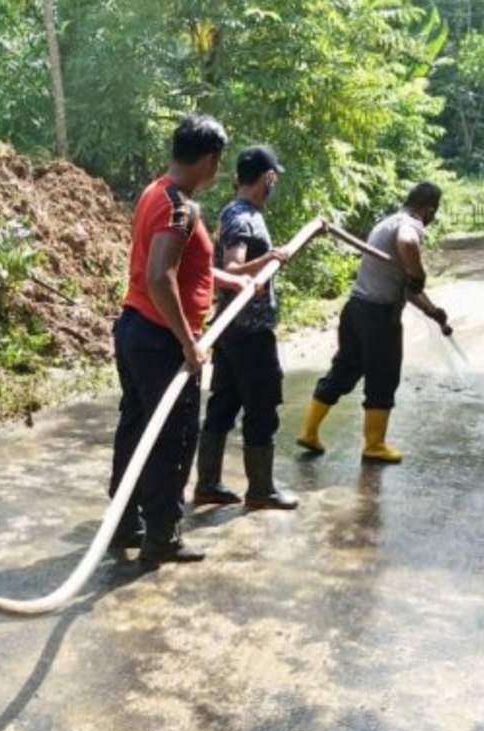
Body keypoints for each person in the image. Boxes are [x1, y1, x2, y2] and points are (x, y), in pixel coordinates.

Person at [108, 114, 250, 564]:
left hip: (135, 330)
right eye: (219, 161)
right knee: (173, 438)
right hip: (160, 341)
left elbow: (184, 267)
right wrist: (189, 343)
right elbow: (160, 276)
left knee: (136, 429)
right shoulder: (180, 209)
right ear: (209, 160)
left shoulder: (158, 193)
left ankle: (124, 523)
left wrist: (232, 281)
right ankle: (162, 537)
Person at [296, 181, 450, 463]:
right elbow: (408, 243)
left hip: (355, 310)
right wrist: (419, 272)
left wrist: (431, 310)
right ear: (429, 210)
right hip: (378, 317)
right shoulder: (409, 224)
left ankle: (309, 431)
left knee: (344, 371)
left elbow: (404, 286)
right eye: (433, 213)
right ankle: (374, 445)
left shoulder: (386, 223)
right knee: (383, 377)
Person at [193, 146, 299, 510]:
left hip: (231, 330)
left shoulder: (242, 212)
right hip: (249, 332)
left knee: (224, 402)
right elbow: (232, 270)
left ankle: (207, 484)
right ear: (267, 177)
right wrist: (269, 258)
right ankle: (261, 489)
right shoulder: (242, 218)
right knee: (262, 404)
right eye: (274, 178)